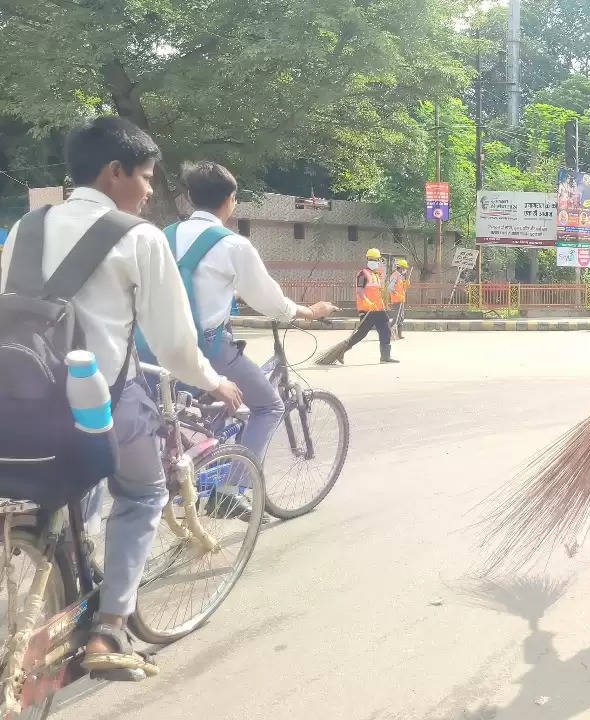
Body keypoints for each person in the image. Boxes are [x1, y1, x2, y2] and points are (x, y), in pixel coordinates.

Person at [0, 116, 243, 676]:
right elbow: (175, 346)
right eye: (147, 176)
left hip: (17, 402)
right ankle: (109, 629)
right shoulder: (139, 238)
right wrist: (215, 381)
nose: (151, 190)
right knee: (143, 493)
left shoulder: (24, 228)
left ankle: (58, 555)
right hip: (97, 405)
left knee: (61, 491)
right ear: (116, 173)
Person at [164, 161, 337, 466]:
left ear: (189, 196)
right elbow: (271, 302)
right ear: (231, 200)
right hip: (206, 348)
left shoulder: (162, 236)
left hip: (157, 347)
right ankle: (234, 489)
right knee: (269, 407)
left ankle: (204, 456)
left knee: (199, 409)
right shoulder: (233, 245)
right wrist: (309, 311)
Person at [323, 247, 398, 364]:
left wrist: (383, 304)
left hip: (378, 309)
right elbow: (360, 291)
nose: (375, 262)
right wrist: (368, 302)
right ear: (368, 260)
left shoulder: (376, 275)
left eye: (376, 260)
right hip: (367, 309)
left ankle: (385, 356)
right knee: (361, 334)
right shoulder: (363, 274)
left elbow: (378, 292)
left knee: (386, 330)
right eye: (372, 259)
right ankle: (341, 351)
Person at [388, 257, 410, 339]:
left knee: (401, 317)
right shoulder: (395, 275)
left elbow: (401, 287)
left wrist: (405, 284)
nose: (405, 270)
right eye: (404, 268)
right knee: (397, 317)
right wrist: (398, 295)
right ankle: (390, 334)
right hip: (397, 300)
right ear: (400, 268)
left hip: (401, 300)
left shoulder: (400, 276)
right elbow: (390, 288)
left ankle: (399, 334)